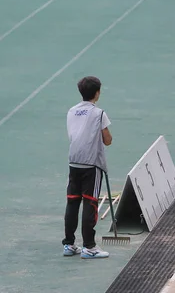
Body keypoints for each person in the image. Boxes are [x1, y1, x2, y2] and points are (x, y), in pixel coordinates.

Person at [62, 76, 112, 259]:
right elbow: (108, 140)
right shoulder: (99, 113)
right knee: (90, 203)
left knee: (72, 202)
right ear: (97, 93)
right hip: (91, 164)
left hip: (73, 161)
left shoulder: (71, 111)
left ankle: (68, 244)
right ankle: (89, 247)